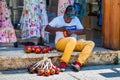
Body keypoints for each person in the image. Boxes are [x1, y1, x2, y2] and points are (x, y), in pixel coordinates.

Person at [45, 5, 95, 72]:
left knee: (90, 43)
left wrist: (73, 31)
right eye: (67, 17)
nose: (69, 19)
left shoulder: (76, 19)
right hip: (60, 43)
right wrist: (59, 29)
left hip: (73, 43)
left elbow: (83, 31)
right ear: (64, 13)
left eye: (71, 18)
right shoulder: (58, 19)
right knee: (72, 40)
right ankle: (63, 63)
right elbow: (47, 28)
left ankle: (78, 63)